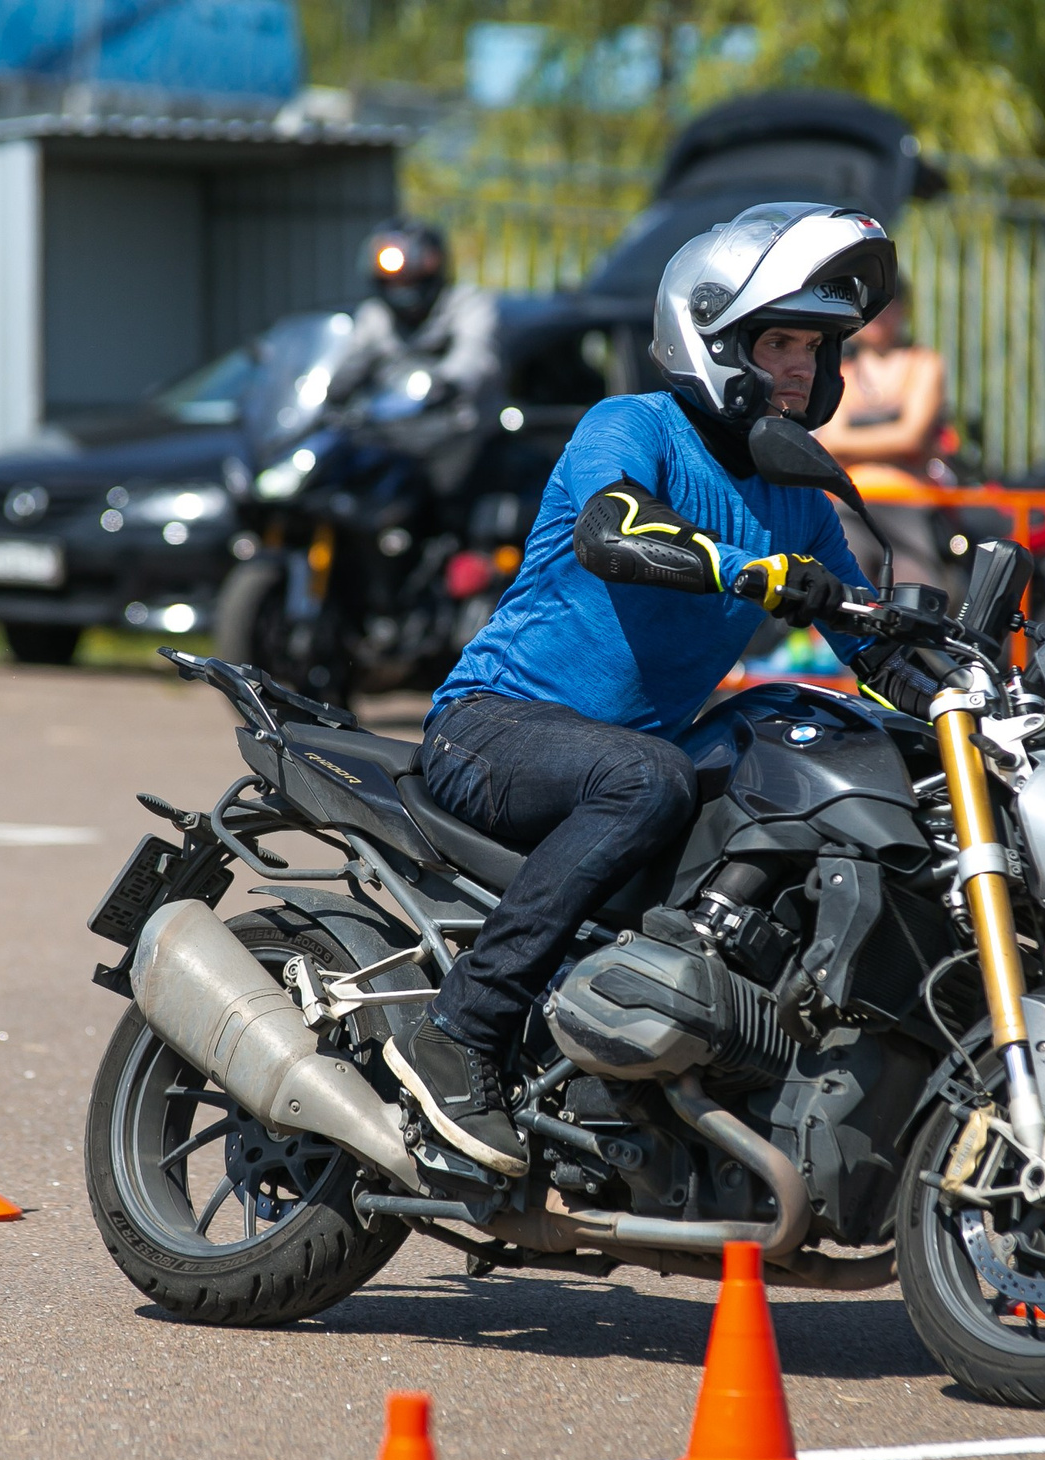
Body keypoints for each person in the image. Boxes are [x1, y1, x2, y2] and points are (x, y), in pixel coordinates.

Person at [381, 203, 899, 1177]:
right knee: (650, 780)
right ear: (713, 337)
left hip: (613, 757)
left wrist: (975, 680)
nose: (801, 364)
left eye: (816, 346)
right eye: (778, 339)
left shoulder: (798, 496)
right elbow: (612, 531)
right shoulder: (632, 425)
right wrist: (751, 571)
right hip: (493, 727)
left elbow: (862, 630)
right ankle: (458, 1030)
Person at [328, 222, 501, 490]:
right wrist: (334, 388)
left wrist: (449, 382)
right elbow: (352, 357)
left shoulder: (465, 303)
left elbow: (476, 352)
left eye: (410, 276)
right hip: (392, 431)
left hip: (458, 428)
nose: (402, 286)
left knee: (449, 491)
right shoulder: (376, 314)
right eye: (394, 278)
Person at [814, 290, 948, 587]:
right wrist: (897, 438)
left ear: (903, 310)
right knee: (842, 593)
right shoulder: (843, 368)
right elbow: (830, 442)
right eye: (870, 309)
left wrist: (855, 443)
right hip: (851, 502)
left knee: (917, 596)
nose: (878, 317)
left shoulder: (924, 363)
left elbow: (912, 437)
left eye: (887, 307)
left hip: (910, 501)